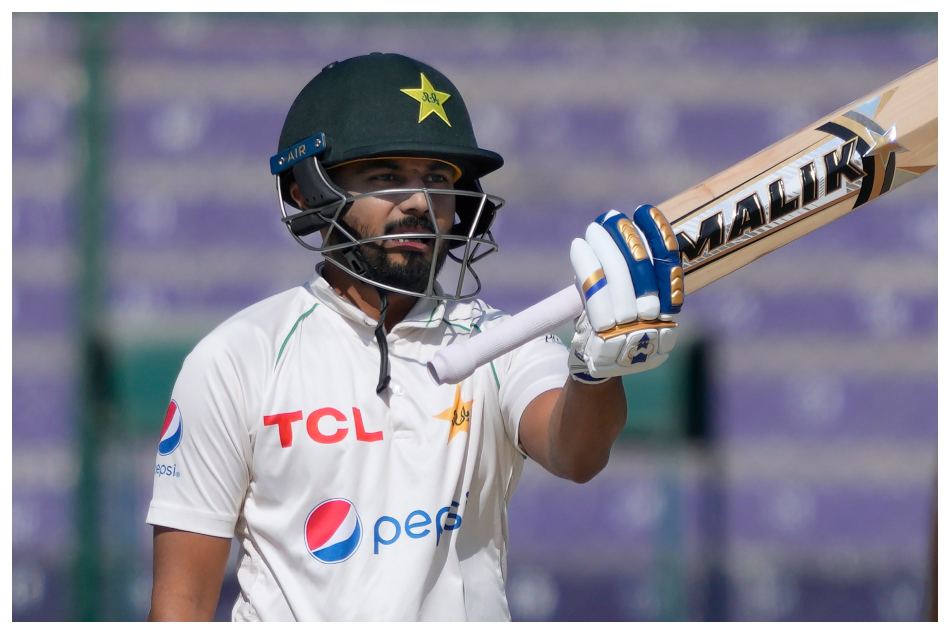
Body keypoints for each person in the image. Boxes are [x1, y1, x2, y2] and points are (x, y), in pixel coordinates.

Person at [146, 52, 684, 621]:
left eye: (437, 179)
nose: (419, 203)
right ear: (308, 191)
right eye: (386, 178)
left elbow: (575, 452)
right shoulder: (239, 358)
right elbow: (181, 606)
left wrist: (596, 369)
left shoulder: (500, 341)